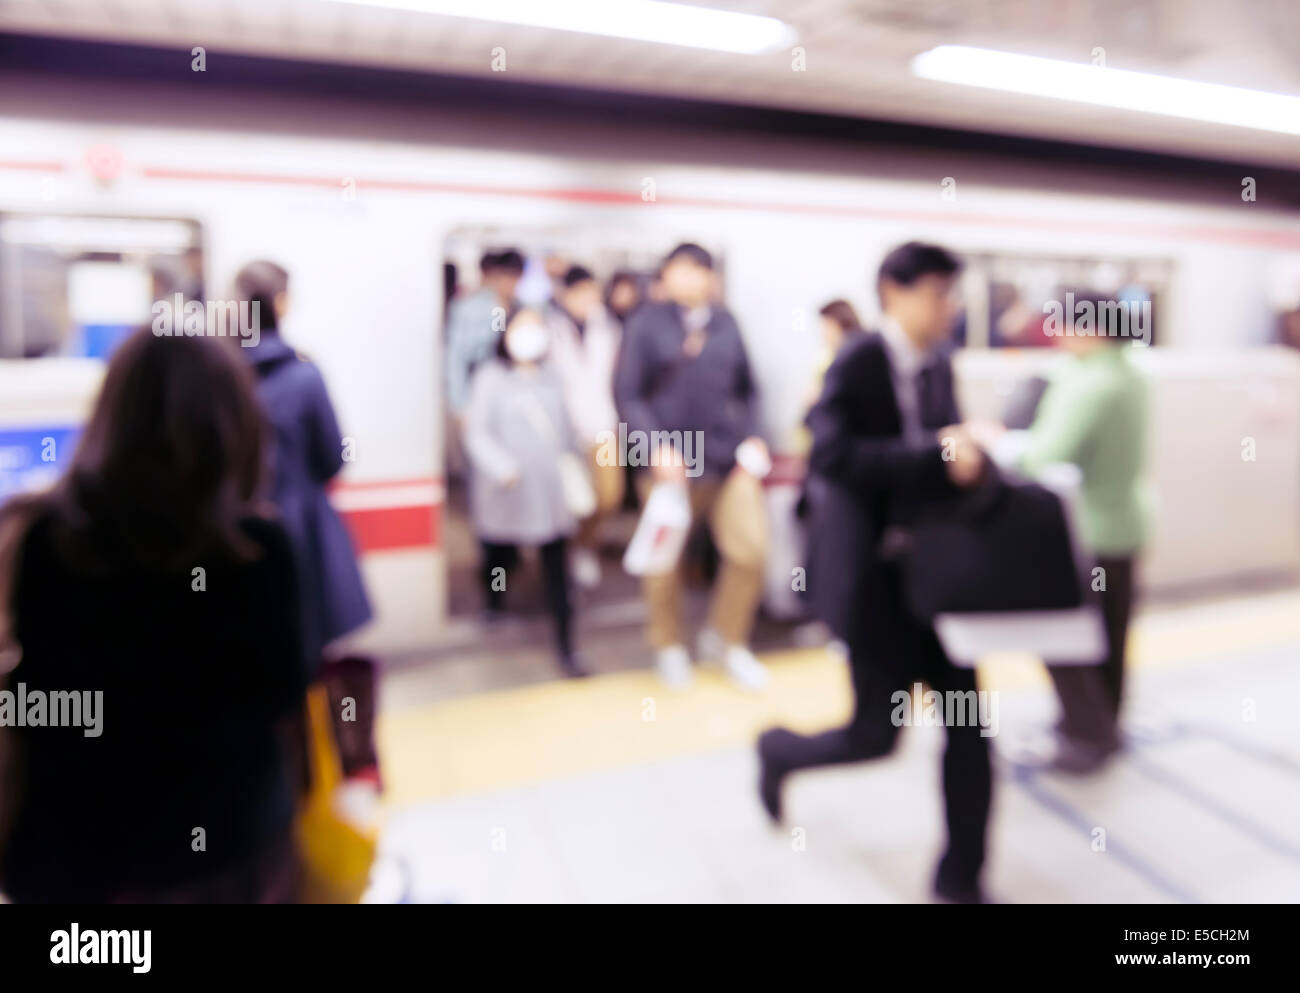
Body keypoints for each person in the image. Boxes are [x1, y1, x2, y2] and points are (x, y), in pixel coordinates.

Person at [0, 330, 306, 903]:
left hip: (76, 853)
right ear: (232, 424)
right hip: (222, 848)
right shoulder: (255, 549)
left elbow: (35, 701)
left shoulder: (51, 540)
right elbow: (281, 692)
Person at [757, 242, 993, 903]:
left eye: (952, 293)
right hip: (876, 584)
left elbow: (941, 449)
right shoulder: (860, 357)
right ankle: (778, 751)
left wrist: (970, 453)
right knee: (874, 736)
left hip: (940, 581)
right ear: (894, 290)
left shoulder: (942, 362)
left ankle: (961, 876)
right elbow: (831, 454)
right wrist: (932, 455)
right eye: (937, 293)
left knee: (970, 729)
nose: (949, 307)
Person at [997, 290, 1149, 773]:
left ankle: (1085, 735)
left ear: (1092, 329)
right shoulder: (1131, 371)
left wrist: (996, 443)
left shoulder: (1090, 386)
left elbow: (1043, 456)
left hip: (1086, 532)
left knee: (1064, 639)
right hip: (1126, 522)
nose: (1058, 336)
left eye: (1064, 326)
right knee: (1110, 635)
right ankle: (1106, 727)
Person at [613, 243, 770, 691]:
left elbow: (749, 389)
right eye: (674, 271)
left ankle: (727, 638)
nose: (683, 280)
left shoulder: (727, 323)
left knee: (750, 551)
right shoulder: (646, 324)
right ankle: (668, 646)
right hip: (670, 464)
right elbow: (628, 394)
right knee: (664, 564)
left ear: (708, 277)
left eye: (692, 271)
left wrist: (753, 436)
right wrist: (655, 446)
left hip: (726, 461)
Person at [237, 260, 372, 677]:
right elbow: (333, 457)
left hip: (236, 538)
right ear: (280, 303)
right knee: (306, 656)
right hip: (301, 534)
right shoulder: (303, 375)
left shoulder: (223, 373)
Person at [463, 307, 589, 678]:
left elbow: (567, 432)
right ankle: (495, 601)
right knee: (500, 553)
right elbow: (477, 433)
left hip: (549, 491)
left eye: (537, 327)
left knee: (556, 566)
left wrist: (576, 464)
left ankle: (567, 647)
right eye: (522, 326)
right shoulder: (490, 377)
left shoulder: (553, 378)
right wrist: (501, 467)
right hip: (506, 487)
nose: (530, 334)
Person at [545, 265, 624, 589]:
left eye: (592, 292)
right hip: (562, 430)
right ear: (564, 294)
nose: (586, 300)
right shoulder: (549, 329)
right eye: (579, 293)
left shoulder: (610, 328)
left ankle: (585, 546)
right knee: (571, 498)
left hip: (603, 426)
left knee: (609, 496)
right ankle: (563, 557)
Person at [445, 249, 526, 420]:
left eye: (517, 279)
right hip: (476, 391)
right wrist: (459, 403)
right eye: (509, 278)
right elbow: (456, 356)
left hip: (509, 395)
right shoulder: (472, 308)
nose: (512, 285)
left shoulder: (517, 307)